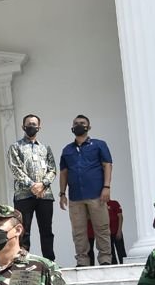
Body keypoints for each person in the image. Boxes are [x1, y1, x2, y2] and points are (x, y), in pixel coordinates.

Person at [58, 114, 113, 266]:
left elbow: (107, 165)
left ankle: (105, 259)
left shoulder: (99, 145)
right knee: (78, 232)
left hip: (97, 194)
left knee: (101, 228)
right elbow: (64, 173)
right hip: (75, 197)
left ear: (88, 127)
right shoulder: (67, 150)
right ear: (72, 128)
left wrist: (106, 187)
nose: (79, 125)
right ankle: (82, 261)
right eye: (76, 123)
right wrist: (62, 193)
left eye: (82, 123)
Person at [8, 114, 57, 260]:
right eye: (29, 124)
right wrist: (32, 186)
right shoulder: (16, 147)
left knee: (46, 230)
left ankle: (49, 262)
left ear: (39, 127)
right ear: (23, 127)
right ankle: (22, 261)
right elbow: (15, 169)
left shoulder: (45, 148)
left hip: (45, 195)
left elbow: (52, 169)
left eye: (34, 124)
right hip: (23, 195)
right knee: (23, 230)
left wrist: (43, 184)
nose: (32, 126)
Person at [85, 199, 126, 266]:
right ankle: (113, 267)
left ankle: (125, 266)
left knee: (121, 251)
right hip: (107, 233)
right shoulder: (99, 205)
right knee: (111, 253)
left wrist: (119, 231)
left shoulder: (114, 203)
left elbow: (120, 217)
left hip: (116, 232)